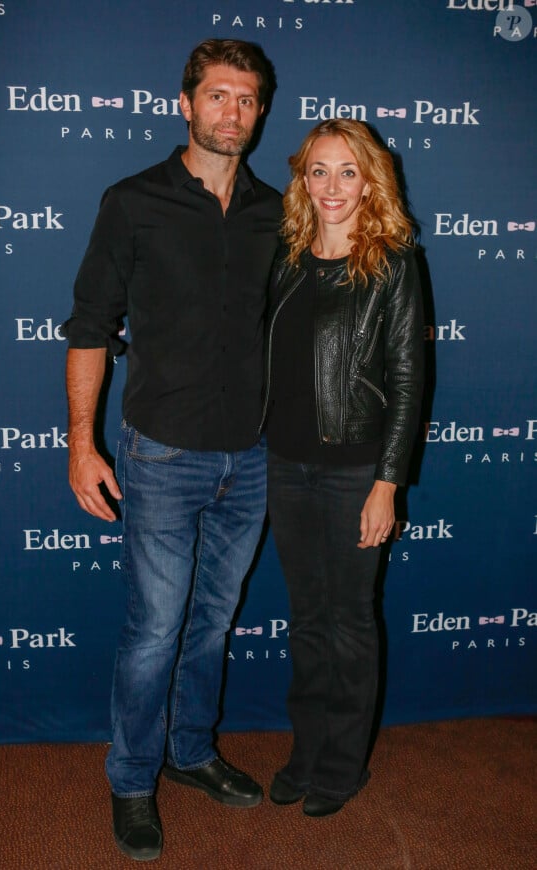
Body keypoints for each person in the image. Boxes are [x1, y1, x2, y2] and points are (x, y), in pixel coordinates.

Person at [63, 39, 281, 861]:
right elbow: (90, 327)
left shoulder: (276, 212)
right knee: (155, 629)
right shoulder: (134, 201)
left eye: (247, 98)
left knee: (212, 622)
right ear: (184, 104)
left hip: (253, 459)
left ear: (261, 112)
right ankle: (130, 781)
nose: (232, 111)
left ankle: (190, 754)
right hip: (160, 455)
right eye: (217, 95)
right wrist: (82, 446)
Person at [263, 119, 424, 817]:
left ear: (371, 180)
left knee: (349, 620)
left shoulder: (391, 262)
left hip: (357, 470)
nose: (332, 186)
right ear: (303, 179)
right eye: (319, 171)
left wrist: (387, 482)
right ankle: (307, 747)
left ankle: (343, 761)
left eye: (347, 171)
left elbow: (410, 379)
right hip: (286, 466)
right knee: (306, 618)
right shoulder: (287, 257)